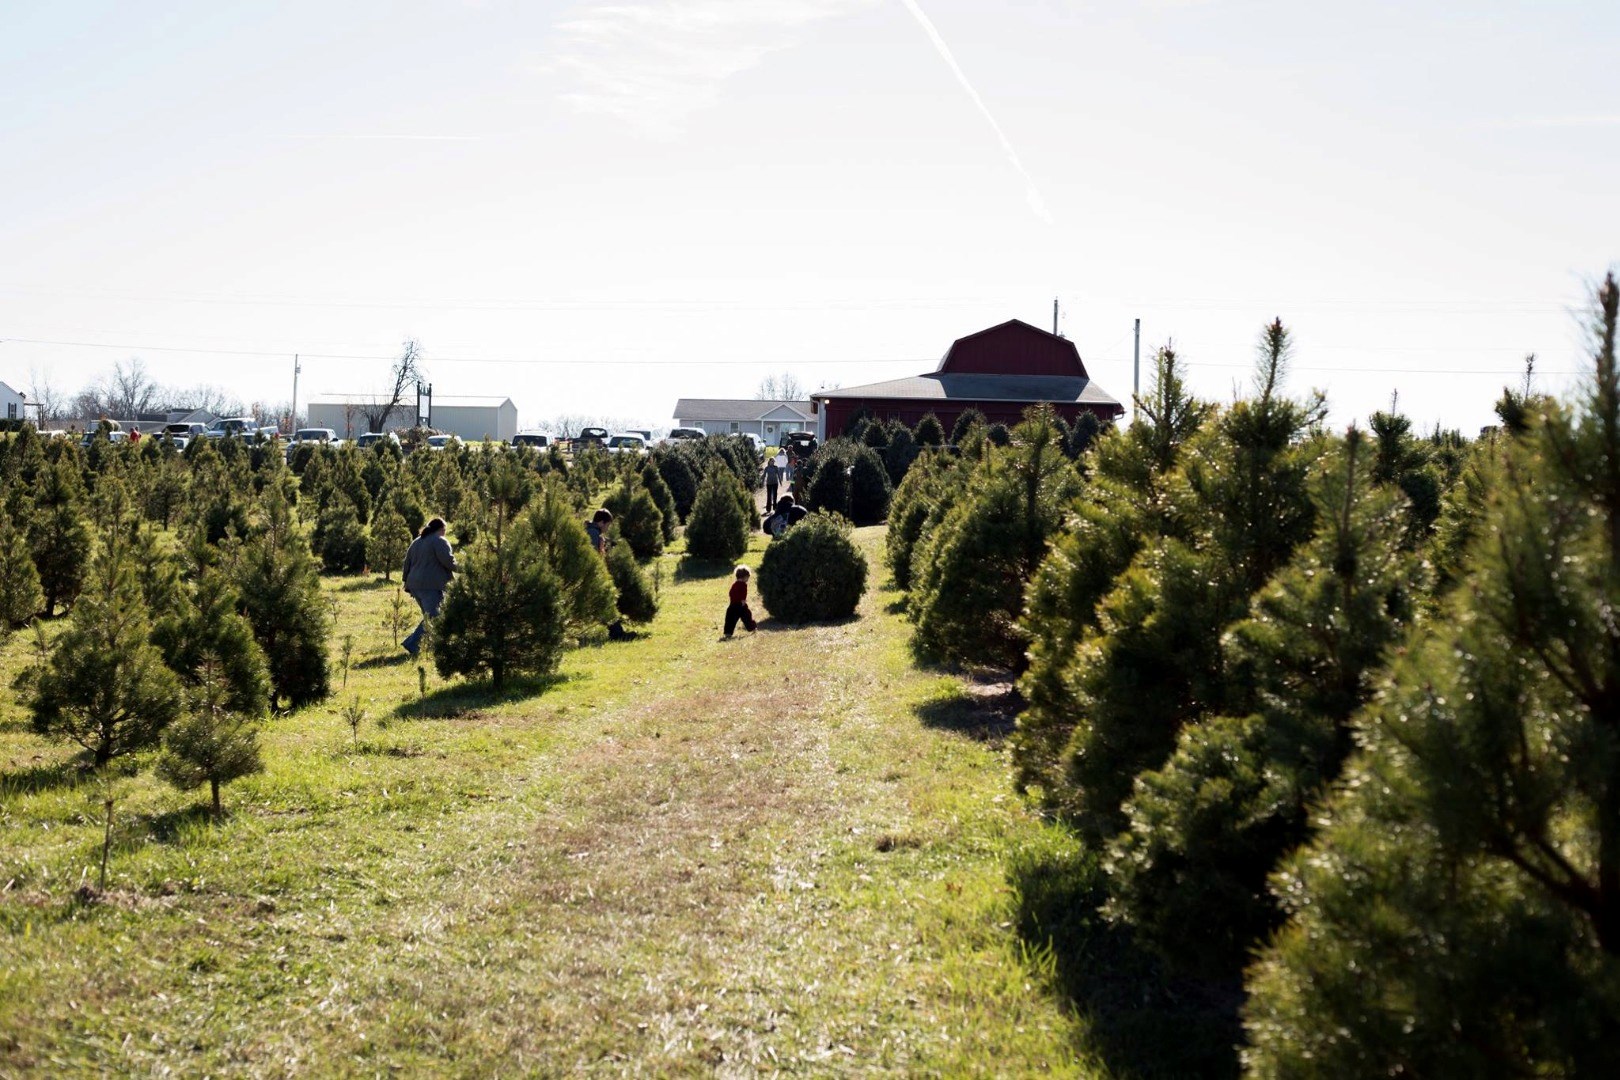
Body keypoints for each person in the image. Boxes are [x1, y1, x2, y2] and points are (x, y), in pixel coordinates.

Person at [401, 517, 456, 657]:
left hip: (414, 585)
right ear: (440, 529)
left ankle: (433, 646)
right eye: (444, 530)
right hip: (430, 585)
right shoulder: (439, 541)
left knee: (429, 617)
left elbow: (407, 563)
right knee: (433, 617)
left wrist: (406, 582)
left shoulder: (416, 542)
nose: (445, 533)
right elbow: (449, 562)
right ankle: (412, 644)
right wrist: (467, 568)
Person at [586, 509, 630, 640]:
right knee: (607, 600)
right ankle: (617, 634)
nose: (607, 528)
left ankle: (616, 632)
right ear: (600, 522)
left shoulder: (593, 531)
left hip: (591, 575)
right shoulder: (593, 533)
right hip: (593, 575)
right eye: (607, 525)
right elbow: (593, 556)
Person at [724, 565, 757, 637]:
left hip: (732, 605)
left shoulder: (734, 584)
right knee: (747, 617)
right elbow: (743, 594)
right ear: (745, 577)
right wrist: (743, 602)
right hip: (740, 605)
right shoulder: (743, 585)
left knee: (730, 619)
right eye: (748, 577)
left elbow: (731, 593)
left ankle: (728, 633)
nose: (748, 579)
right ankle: (753, 628)